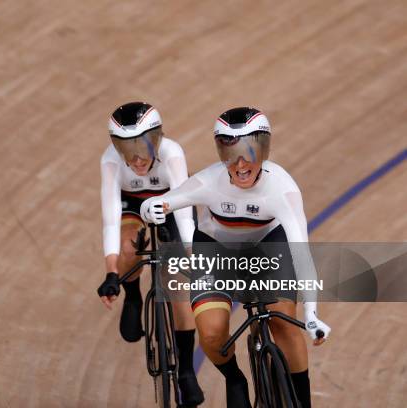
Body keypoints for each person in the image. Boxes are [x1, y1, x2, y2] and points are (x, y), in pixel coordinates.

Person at [140, 107, 331, 408]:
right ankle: (235, 378)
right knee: (213, 334)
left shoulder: (282, 188)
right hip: (216, 252)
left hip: (268, 249)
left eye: (248, 153)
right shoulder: (209, 181)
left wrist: (312, 314)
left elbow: (301, 253)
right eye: (231, 154)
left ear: (264, 151)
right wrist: (151, 208)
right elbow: (161, 202)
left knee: (284, 324)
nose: (240, 164)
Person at [97, 102, 204, 406]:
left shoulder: (172, 153)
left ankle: (185, 370)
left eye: (142, 146)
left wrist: (190, 255)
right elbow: (110, 219)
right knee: (128, 244)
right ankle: (133, 295)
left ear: (156, 139)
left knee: (177, 282)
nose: (136, 158)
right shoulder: (110, 161)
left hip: (171, 206)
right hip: (131, 204)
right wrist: (112, 274)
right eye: (125, 148)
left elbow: (185, 216)